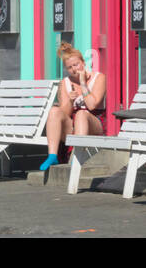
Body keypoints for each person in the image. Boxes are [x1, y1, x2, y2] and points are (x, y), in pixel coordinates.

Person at [40, 42, 106, 172]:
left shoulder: (99, 77)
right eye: (69, 67)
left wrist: (82, 83)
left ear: (83, 62)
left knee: (82, 114)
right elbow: (63, 113)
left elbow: (93, 105)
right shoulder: (65, 82)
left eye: (76, 64)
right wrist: (70, 101)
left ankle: (77, 156)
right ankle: (52, 155)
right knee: (54, 111)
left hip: (95, 121)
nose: (74, 69)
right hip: (74, 124)